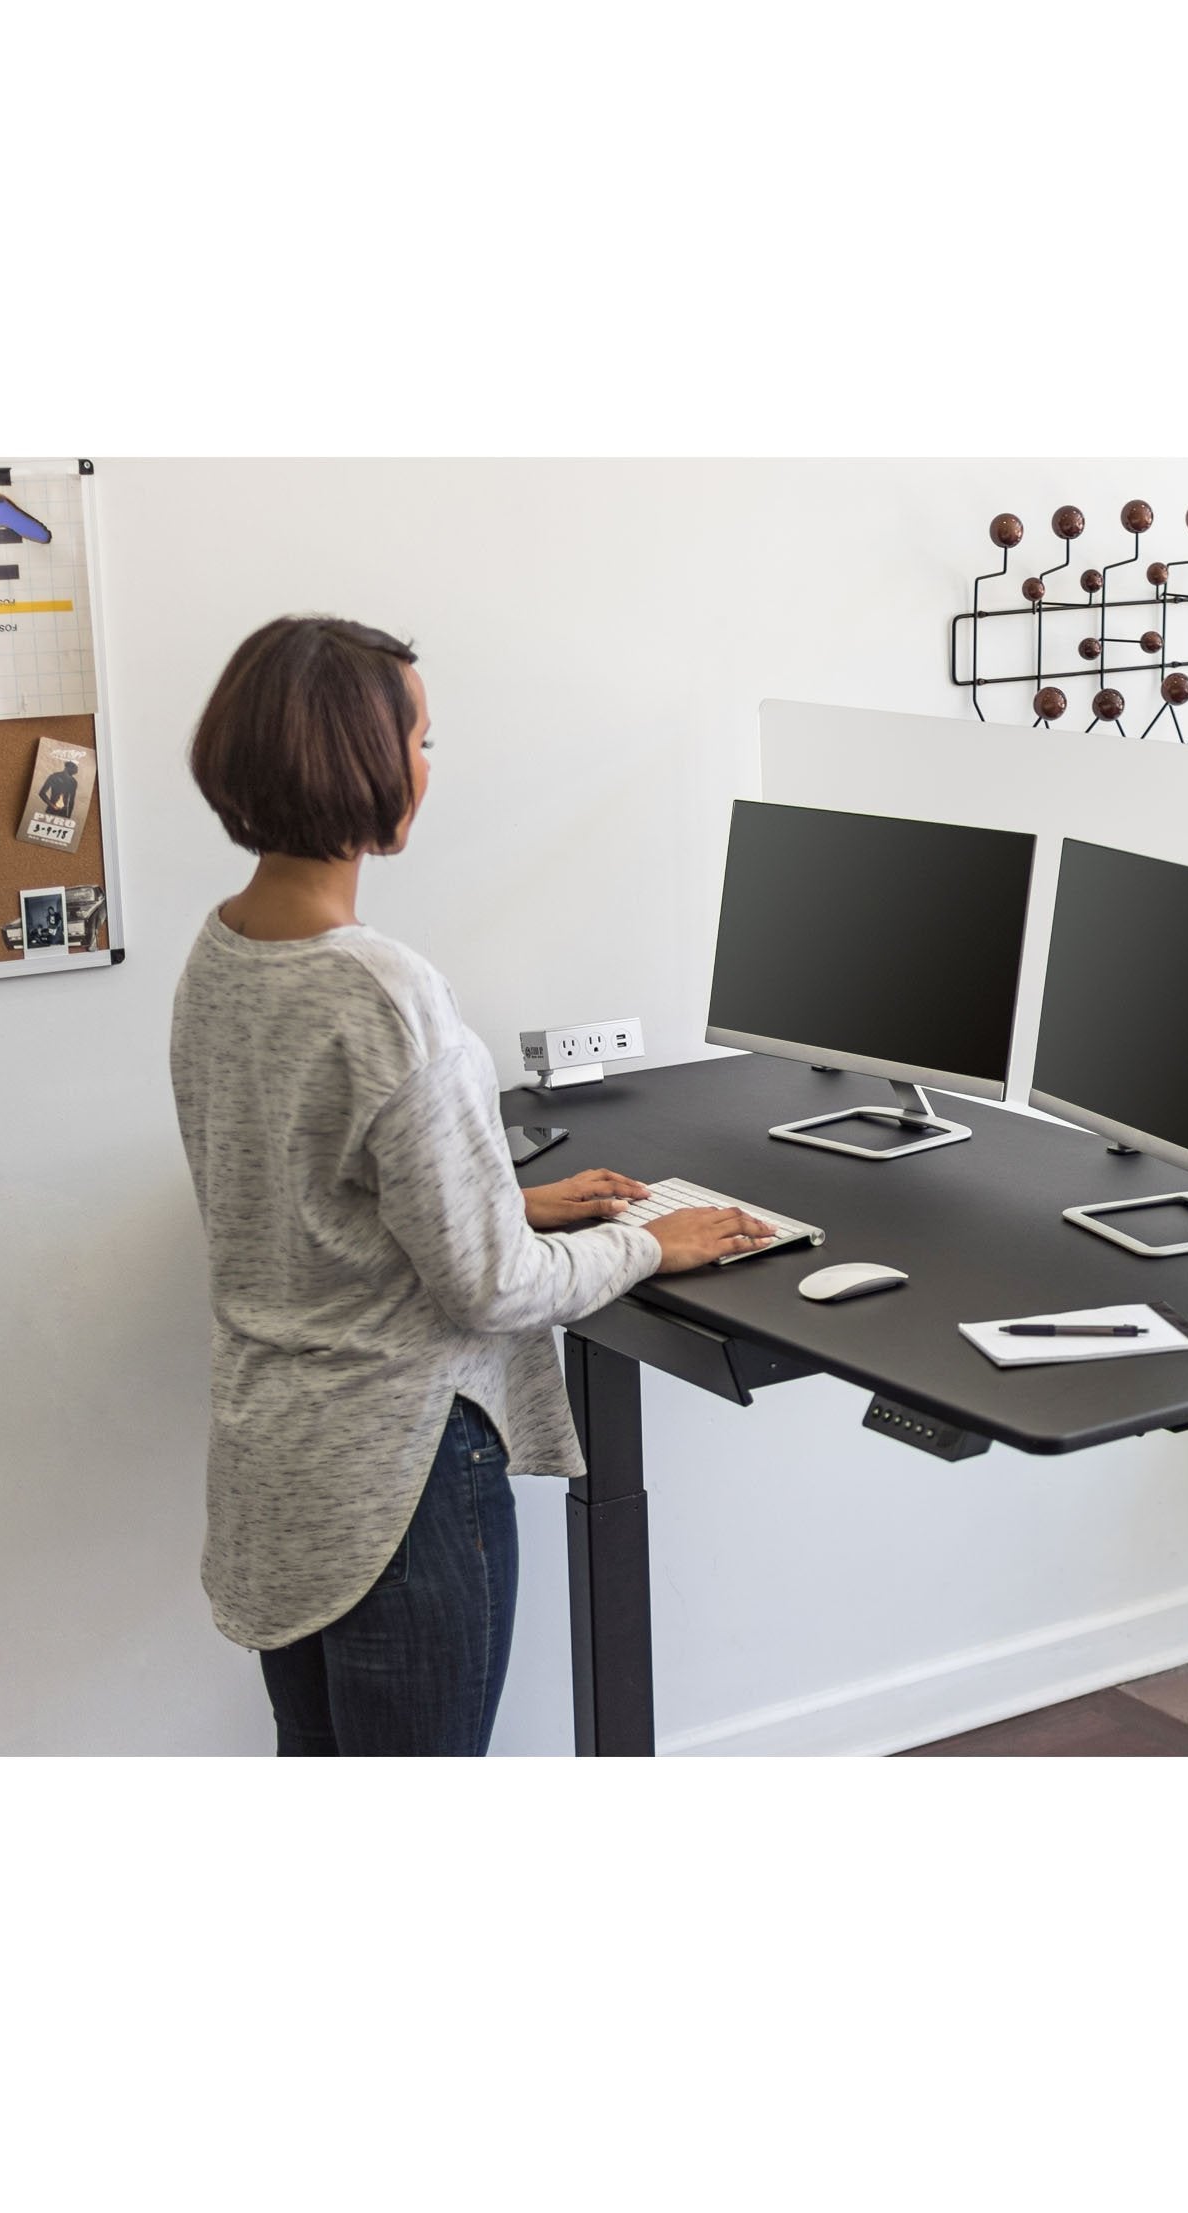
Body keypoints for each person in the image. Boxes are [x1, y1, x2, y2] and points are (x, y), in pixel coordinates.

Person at [170, 616, 773, 1756]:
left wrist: (502, 1201)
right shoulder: (385, 994)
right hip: (402, 1475)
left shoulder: (223, 953)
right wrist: (652, 1241)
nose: (427, 768)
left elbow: (303, 1193)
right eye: (422, 741)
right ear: (362, 761)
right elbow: (493, 1289)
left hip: (277, 1463)